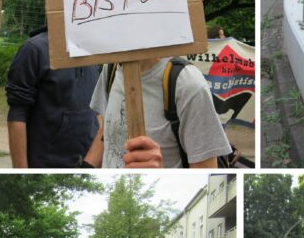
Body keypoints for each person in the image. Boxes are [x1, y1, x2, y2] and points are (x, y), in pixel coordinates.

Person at [88, 59, 232, 168]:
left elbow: (206, 168)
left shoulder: (188, 85)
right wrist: (86, 167)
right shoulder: (112, 67)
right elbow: (107, 128)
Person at [5, 27, 100, 167]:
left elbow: (97, 109)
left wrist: (92, 162)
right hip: (45, 163)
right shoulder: (34, 49)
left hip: (85, 160)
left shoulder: (92, 50)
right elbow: (18, 113)